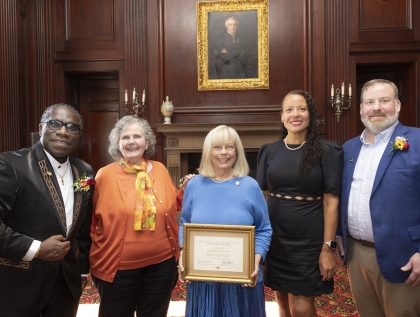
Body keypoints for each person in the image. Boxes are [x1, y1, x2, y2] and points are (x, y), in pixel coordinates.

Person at [89, 116, 192, 317]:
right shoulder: (104, 175)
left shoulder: (160, 170)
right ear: (118, 144)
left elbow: (170, 206)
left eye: (137, 136)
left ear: (147, 142)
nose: (131, 141)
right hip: (118, 267)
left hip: (162, 266)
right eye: (125, 137)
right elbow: (92, 221)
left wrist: (186, 191)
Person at [0, 103, 94, 317]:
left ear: (79, 135)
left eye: (71, 127)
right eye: (55, 123)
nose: (62, 131)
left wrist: (81, 269)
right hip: (20, 282)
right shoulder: (11, 165)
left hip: (65, 285)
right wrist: (37, 248)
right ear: (41, 126)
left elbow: (83, 229)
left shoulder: (85, 171)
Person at [337, 79, 420, 316]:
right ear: (361, 108)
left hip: (406, 256)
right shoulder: (349, 149)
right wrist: (339, 234)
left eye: (384, 101)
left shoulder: (417, 141)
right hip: (357, 256)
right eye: (369, 102)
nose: (376, 107)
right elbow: (343, 196)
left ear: (398, 105)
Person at [257, 90, 343, 317]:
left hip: (308, 242)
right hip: (276, 240)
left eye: (302, 109)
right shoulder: (269, 150)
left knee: (301, 307)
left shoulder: (327, 151)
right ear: (281, 116)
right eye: (289, 109)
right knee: (282, 302)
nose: (295, 114)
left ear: (311, 115)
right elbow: (263, 197)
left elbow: (331, 203)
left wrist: (328, 248)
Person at [178, 125, 272, 317]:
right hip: (203, 280)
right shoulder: (194, 185)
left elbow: (264, 229)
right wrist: (183, 252)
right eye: (217, 147)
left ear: (236, 151)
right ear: (208, 152)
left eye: (229, 147)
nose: (223, 153)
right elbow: (184, 223)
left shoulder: (250, 186)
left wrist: (255, 260)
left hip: (243, 280)